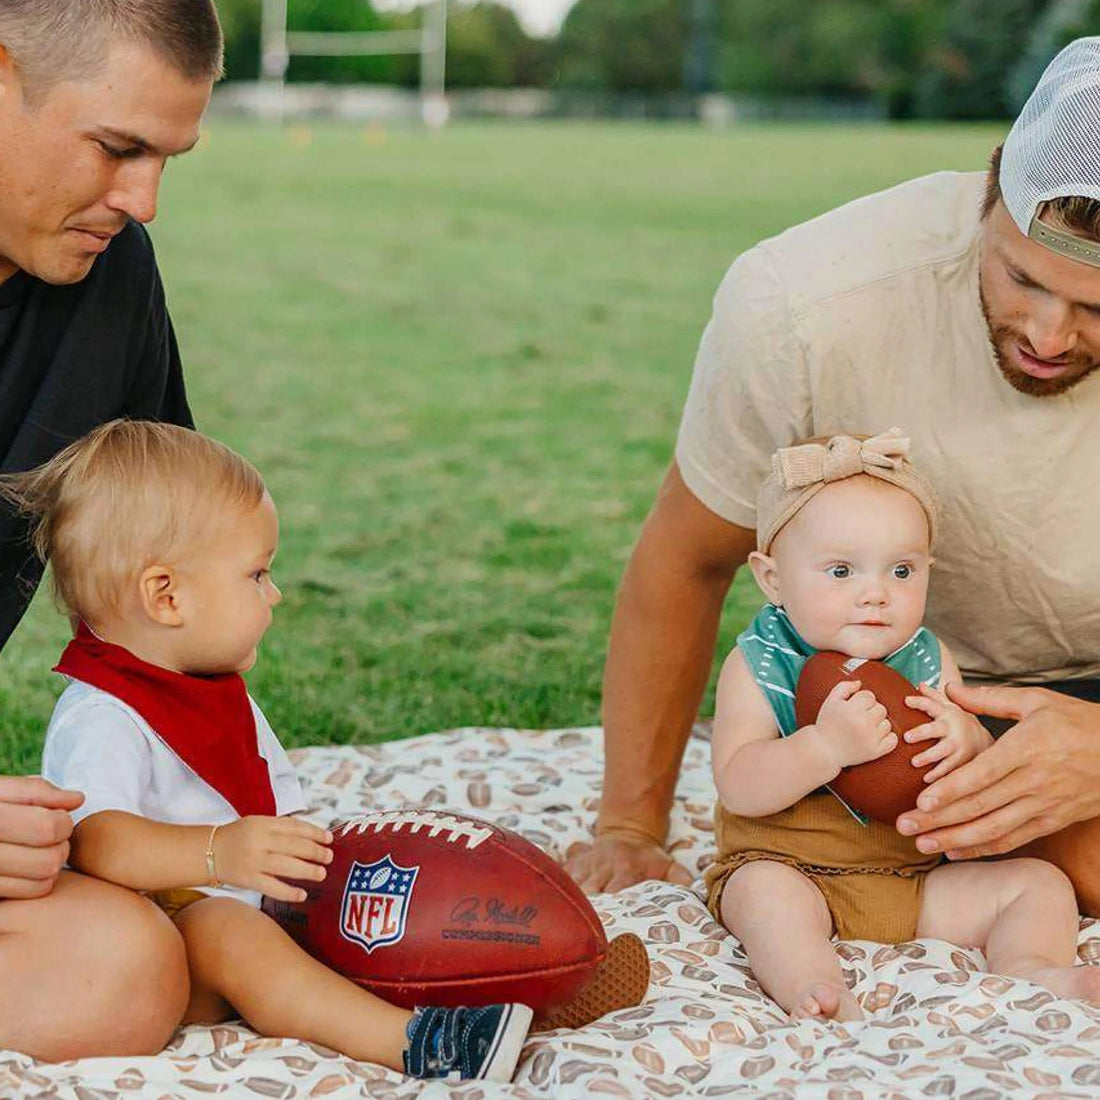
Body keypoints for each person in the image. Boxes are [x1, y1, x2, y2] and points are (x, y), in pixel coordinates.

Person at [567, 37, 1100, 895]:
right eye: (1021, 278)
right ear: (989, 194)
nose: (1047, 335)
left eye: (1095, 308)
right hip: (900, 692)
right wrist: (629, 827)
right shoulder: (804, 302)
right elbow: (687, 559)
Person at [0, 420, 535, 1081]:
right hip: (165, 929)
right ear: (166, 597)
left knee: (379, 901)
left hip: (244, 899)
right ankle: (419, 1042)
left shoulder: (209, 688)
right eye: (256, 574)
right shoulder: (104, 711)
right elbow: (97, 840)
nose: (275, 593)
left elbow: (272, 799)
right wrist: (222, 851)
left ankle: (509, 976)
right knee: (237, 935)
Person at [0, 0, 223, 1058]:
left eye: (166, 159)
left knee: (123, 967)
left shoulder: (106, 273)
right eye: (117, 147)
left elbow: (160, 571)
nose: (141, 201)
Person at [707, 430, 1099, 1021]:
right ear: (773, 578)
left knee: (1038, 883)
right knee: (764, 899)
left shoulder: (924, 656)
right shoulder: (759, 663)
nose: (875, 595)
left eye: (901, 570)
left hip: (909, 880)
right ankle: (815, 986)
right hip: (794, 868)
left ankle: (1030, 968)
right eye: (841, 571)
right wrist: (823, 745)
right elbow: (739, 784)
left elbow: (962, 767)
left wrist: (963, 740)